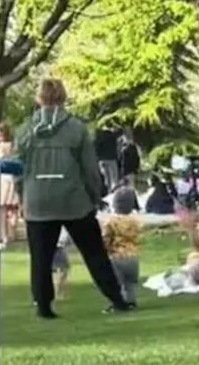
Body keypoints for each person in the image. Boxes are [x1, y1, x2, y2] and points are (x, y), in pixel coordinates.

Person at [15, 77, 132, 318]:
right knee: (93, 252)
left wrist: (22, 197)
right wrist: (93, 195)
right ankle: (116, 298)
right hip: (73, 200)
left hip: (37, 200)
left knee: (41, 257)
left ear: (38, 98)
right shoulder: (77, 129)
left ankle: (44, 306)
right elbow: (90, 169)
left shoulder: (25, 130)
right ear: (64, 97)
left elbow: (18, 170)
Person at [103, 185, 142, 306]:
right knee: (131, 282)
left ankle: (118, 302)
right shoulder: (135, 221)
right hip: (133, 255)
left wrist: (105, 249)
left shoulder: (111, 221)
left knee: (117, 282)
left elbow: (106, 238)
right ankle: (131, 301)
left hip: (116, 255)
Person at [0, 123, 21, 244]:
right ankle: (12, 232)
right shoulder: (14, 147)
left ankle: (4, 234)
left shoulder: (1, 147)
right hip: (12, 178)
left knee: (3, 208)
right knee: (13, 207)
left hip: (3, 179)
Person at [95, 123, 121, 191]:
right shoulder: (112, 135)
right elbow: (120, 132)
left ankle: (108, 190)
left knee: (106, 177)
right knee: (114, 177)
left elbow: (96, 147)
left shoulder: (99, 136)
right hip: (112, 158)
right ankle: (114, 191)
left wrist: (98, 158)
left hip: (102, 160)